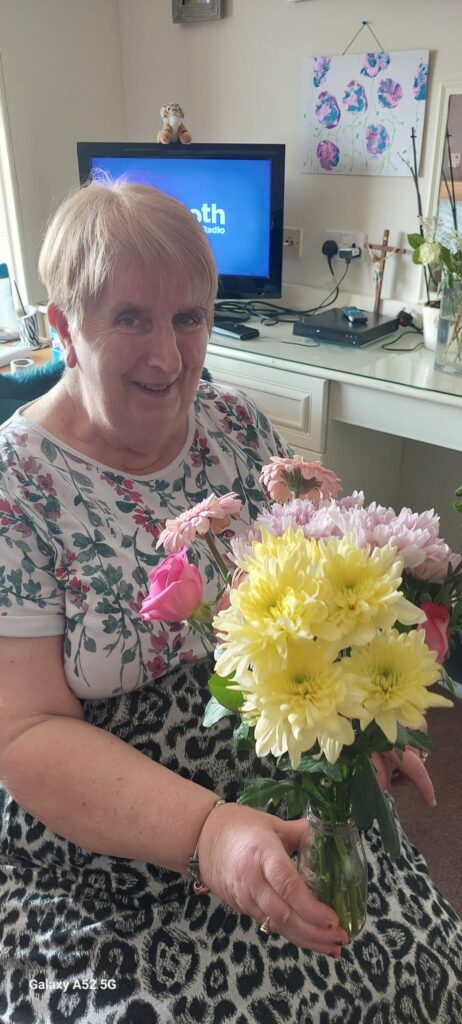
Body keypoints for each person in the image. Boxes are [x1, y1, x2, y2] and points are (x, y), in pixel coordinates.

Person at [0, 179, 460, 1024]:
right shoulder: (16, 483)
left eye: (189, 318)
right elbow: (23, 732)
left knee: (413, 971)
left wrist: (361, 718)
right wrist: (207, 832)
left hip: (279, 768)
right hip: (102, 846)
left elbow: (316, 590)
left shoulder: (238, 427)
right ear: (63, 327)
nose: (169, 358)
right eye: (131, 318)